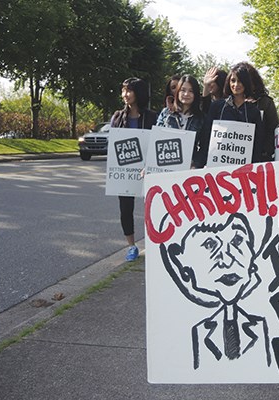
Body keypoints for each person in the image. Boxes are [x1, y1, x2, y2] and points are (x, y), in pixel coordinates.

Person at [163, 213, 270, 369]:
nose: (227, 260)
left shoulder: (264, 327)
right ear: (181, 262)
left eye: (237, 240)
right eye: (209, 245)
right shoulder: (192, 333)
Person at [110, 77, 157, 261]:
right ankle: (131, 246)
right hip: (125, 172)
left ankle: (154, 242)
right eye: (123, 91)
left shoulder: (152, 117)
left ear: (139, 93)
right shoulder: (117, 117)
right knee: (125, 209)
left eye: (129, 91)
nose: (125, 95)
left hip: (147, 170)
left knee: (151, 207)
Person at [195, 62, 272, 168]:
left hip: (244, 170)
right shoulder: (217, 106)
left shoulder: (254, 111)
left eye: (240, 81)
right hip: (216, 167)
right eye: (233, 80)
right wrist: (199, 163)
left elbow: (257, 145)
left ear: (246, 83)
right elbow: (206, 137)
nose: (236, 85)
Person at [156, 74, 206, 167]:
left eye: (191, 91)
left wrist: (195, 164)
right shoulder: (166, 113)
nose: (186, 94)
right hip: (164, 164)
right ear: (178, 92)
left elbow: (204, 148)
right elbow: (155, 140)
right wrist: (149, 164)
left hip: (187, 169)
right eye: (183, 90)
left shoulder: (201, 118)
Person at [240, 62, 279, 161]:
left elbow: (272, 129)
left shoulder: (266, 103)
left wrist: (265, 152)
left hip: (260, 158)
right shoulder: (229, 104)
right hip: (235, 155)